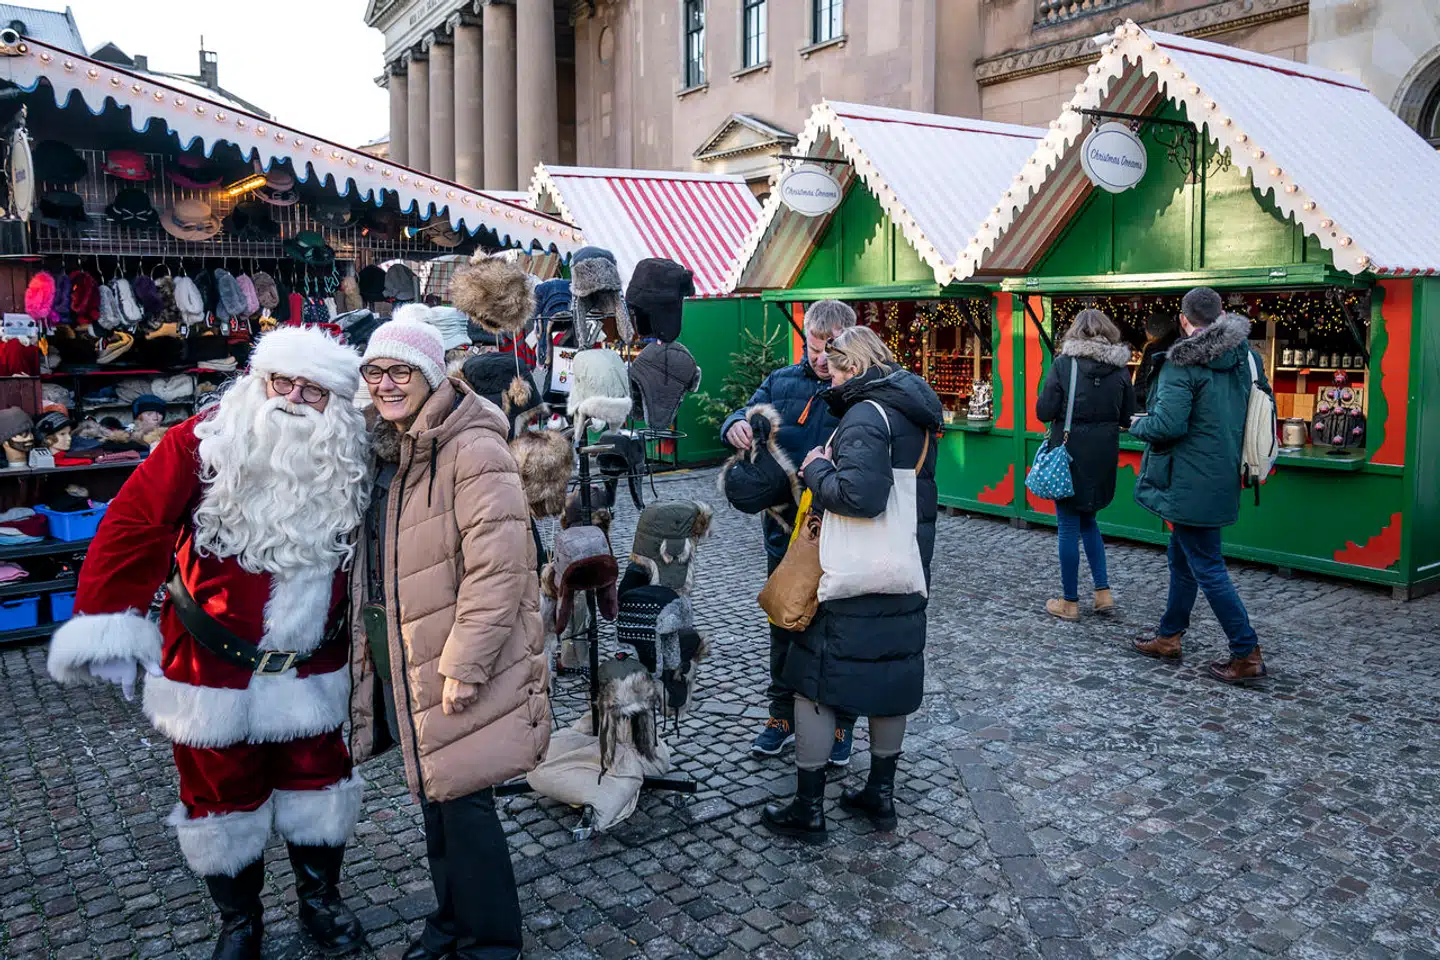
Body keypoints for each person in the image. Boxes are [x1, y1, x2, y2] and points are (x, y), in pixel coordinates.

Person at [46, 327, 371, 960]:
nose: (294, 399)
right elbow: (134, 524)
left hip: (316, 664)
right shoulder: (202, 441)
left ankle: (320, 902)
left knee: (321, 784)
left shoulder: (354, 456)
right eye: (282, 383)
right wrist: (108, 620)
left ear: (336, 402)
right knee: (217, 797)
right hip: (209, 663)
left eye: (313, 390)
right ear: (259, 382)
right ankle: (239, 920)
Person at [348, 317, 550, 960]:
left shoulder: (472, 446)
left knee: (465, 808)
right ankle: (451, 925)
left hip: (458, 658)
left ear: (431, 374)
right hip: (412, 653)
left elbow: (501, 566)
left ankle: (490, 944)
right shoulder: (397, 444)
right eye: (375, 372)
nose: (386, 384)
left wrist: (465, 663)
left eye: (400, 371)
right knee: (438, 798)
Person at [760, 326, 941, 842]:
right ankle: (878, 797)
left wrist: (816, 468)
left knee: (814, 685)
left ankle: (808, 808)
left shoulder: (865, 414)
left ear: (855, 368)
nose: (830, 378)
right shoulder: (912, 410)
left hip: (851, 572)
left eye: (836, 370)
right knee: (890, 679)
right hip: (904, 566)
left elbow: (861, 497)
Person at [722, 299, 859, 764]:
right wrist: (736, 424)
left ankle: (841, 724)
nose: (820, 359)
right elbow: (744, 411)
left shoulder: (859, 389)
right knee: (784, 620)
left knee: (840, 627)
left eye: (830, 350)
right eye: (813, 347)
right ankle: (781, 716)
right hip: (784, 530)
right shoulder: (782, 382)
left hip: (842, 529)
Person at [1129, 287, 1270, 683]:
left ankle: (1247, 652)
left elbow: (1169, 425)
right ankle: (1169, 635)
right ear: (1221, 315)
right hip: (1223, 471)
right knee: (1183, 556)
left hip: (1188, 478)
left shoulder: (1182, 363)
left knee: (1207, 565)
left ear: (1183, 320)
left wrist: (1138, 424)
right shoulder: (1248, 357)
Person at [1035, 309, 1136, 621]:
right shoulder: (1120, 370)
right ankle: (1103, 593)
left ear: (1075, 334)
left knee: (1067, 525)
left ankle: (1070, 602)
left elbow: (1044, 410)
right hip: (1104, 453)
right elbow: (1127, 416)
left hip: (1070, 452)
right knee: (1089, 521)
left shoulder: (1064, 364)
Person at [1135, 312, 1180, 410]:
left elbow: (1143, 382)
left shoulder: (1152, 349)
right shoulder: (1178, 347)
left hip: (1152, 403)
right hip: (1171, 402)